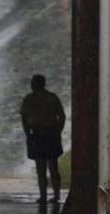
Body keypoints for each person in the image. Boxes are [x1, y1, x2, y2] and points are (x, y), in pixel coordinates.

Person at [20, 74, 66, 203]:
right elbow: (61, 116)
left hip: (37, 135)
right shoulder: (52, 98)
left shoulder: (29, 99)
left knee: (41, 168)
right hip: (51, 134)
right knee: (52, 166)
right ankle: (55, 195)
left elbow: (24, 118)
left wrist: (28, 133)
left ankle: (44, 196)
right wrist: (58, 130)